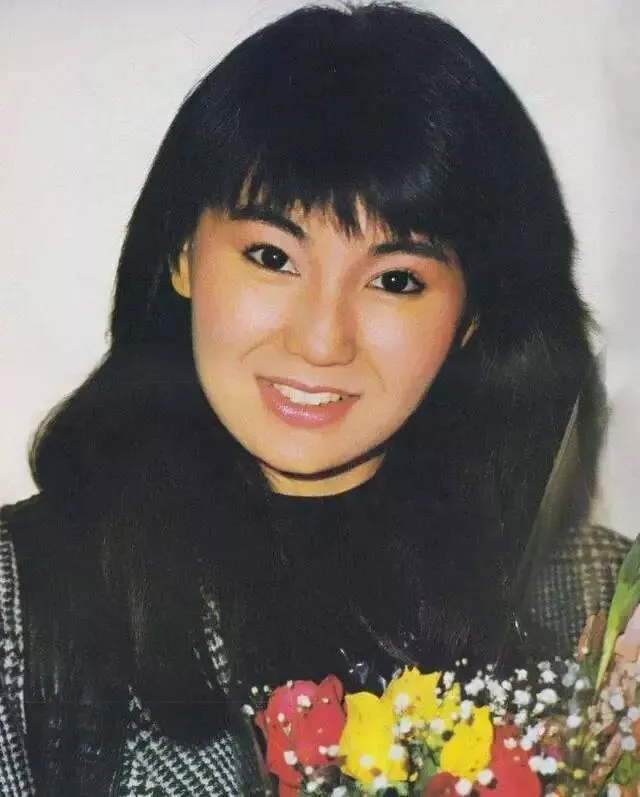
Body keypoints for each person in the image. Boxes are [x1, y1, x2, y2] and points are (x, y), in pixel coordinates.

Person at [0, 3, 631, 795]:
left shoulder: (600, 611)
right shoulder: (24, 606)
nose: (322, 339)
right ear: (181, 256)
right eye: (272, 257)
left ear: (472, 316)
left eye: (395, 279)